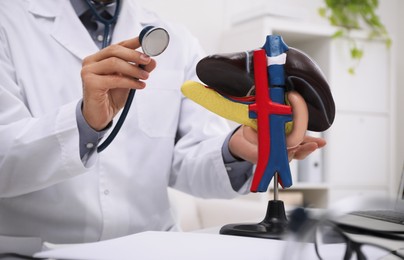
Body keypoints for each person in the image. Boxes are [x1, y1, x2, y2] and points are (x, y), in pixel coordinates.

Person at [0, 0, 325, 244]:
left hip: (151, 245)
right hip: (40, 247)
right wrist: (84, 122)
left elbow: (187, 161)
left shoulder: (177, 41)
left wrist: (235, 150)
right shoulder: (8, 21)